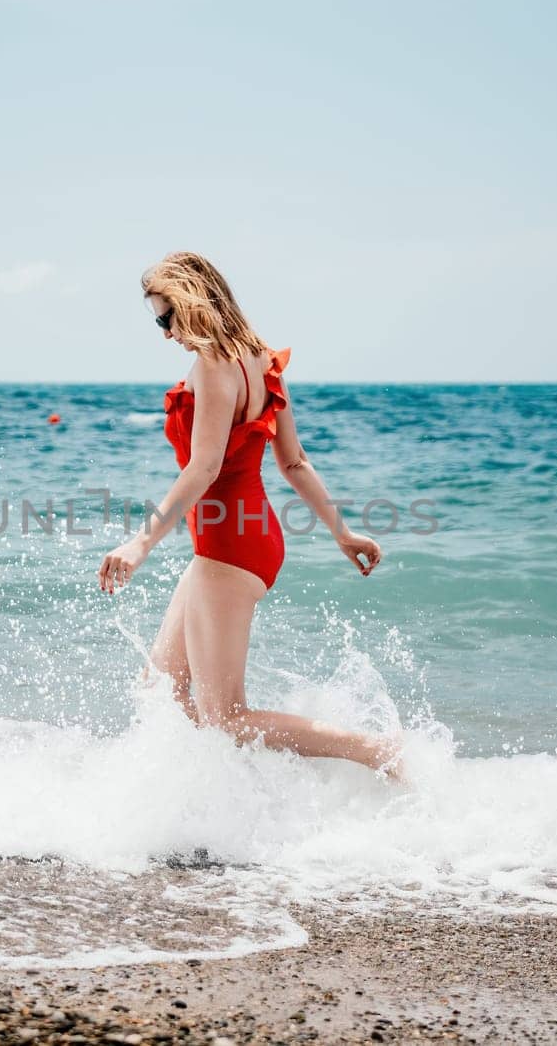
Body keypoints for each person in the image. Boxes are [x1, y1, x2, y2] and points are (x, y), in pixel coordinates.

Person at [97, 251, 404, 779]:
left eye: (165, 316)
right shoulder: (261, 358)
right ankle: (218, 806)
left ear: (191, 301)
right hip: (244, 539)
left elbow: (204, 469)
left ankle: (378, 751)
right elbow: (295, 461)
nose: (165, 332)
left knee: (225, 717)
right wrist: (342, 532)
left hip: (229, 546)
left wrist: (139, 544)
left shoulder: (214, 366)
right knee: (161, 690)